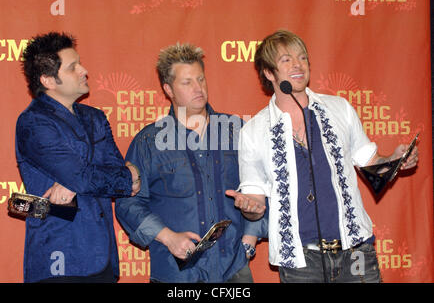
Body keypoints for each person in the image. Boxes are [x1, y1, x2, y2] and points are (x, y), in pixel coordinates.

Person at [227, 29, 418, 283]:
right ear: (269, 73)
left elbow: (371, 164)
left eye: (303, 58)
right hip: (300, 262)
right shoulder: (254, 130)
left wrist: (393, 160)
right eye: (286, 60)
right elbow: (255, 203)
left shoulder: (339, 108)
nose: (298, 64)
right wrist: (251, 208)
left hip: (356, 251)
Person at [115, 43, 264, 283]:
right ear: (168, 89)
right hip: (177, 275)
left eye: (201, 79)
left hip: (234, 270)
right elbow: (128, 203)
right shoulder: (149, 141)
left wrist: (250, 239)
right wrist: (168, 237)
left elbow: (263, 186)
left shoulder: (236, 131)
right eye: (187, 83)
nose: (198, 88)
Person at [16, 32, 141, 283]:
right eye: (73, 67)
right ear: (49, 80)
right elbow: (94, 178)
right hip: (59, 258)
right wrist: (124, 176)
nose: (84, 70)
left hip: (102, 257)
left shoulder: (95, 117)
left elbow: (122, 176)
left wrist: (129, 175)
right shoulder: (34, 122)